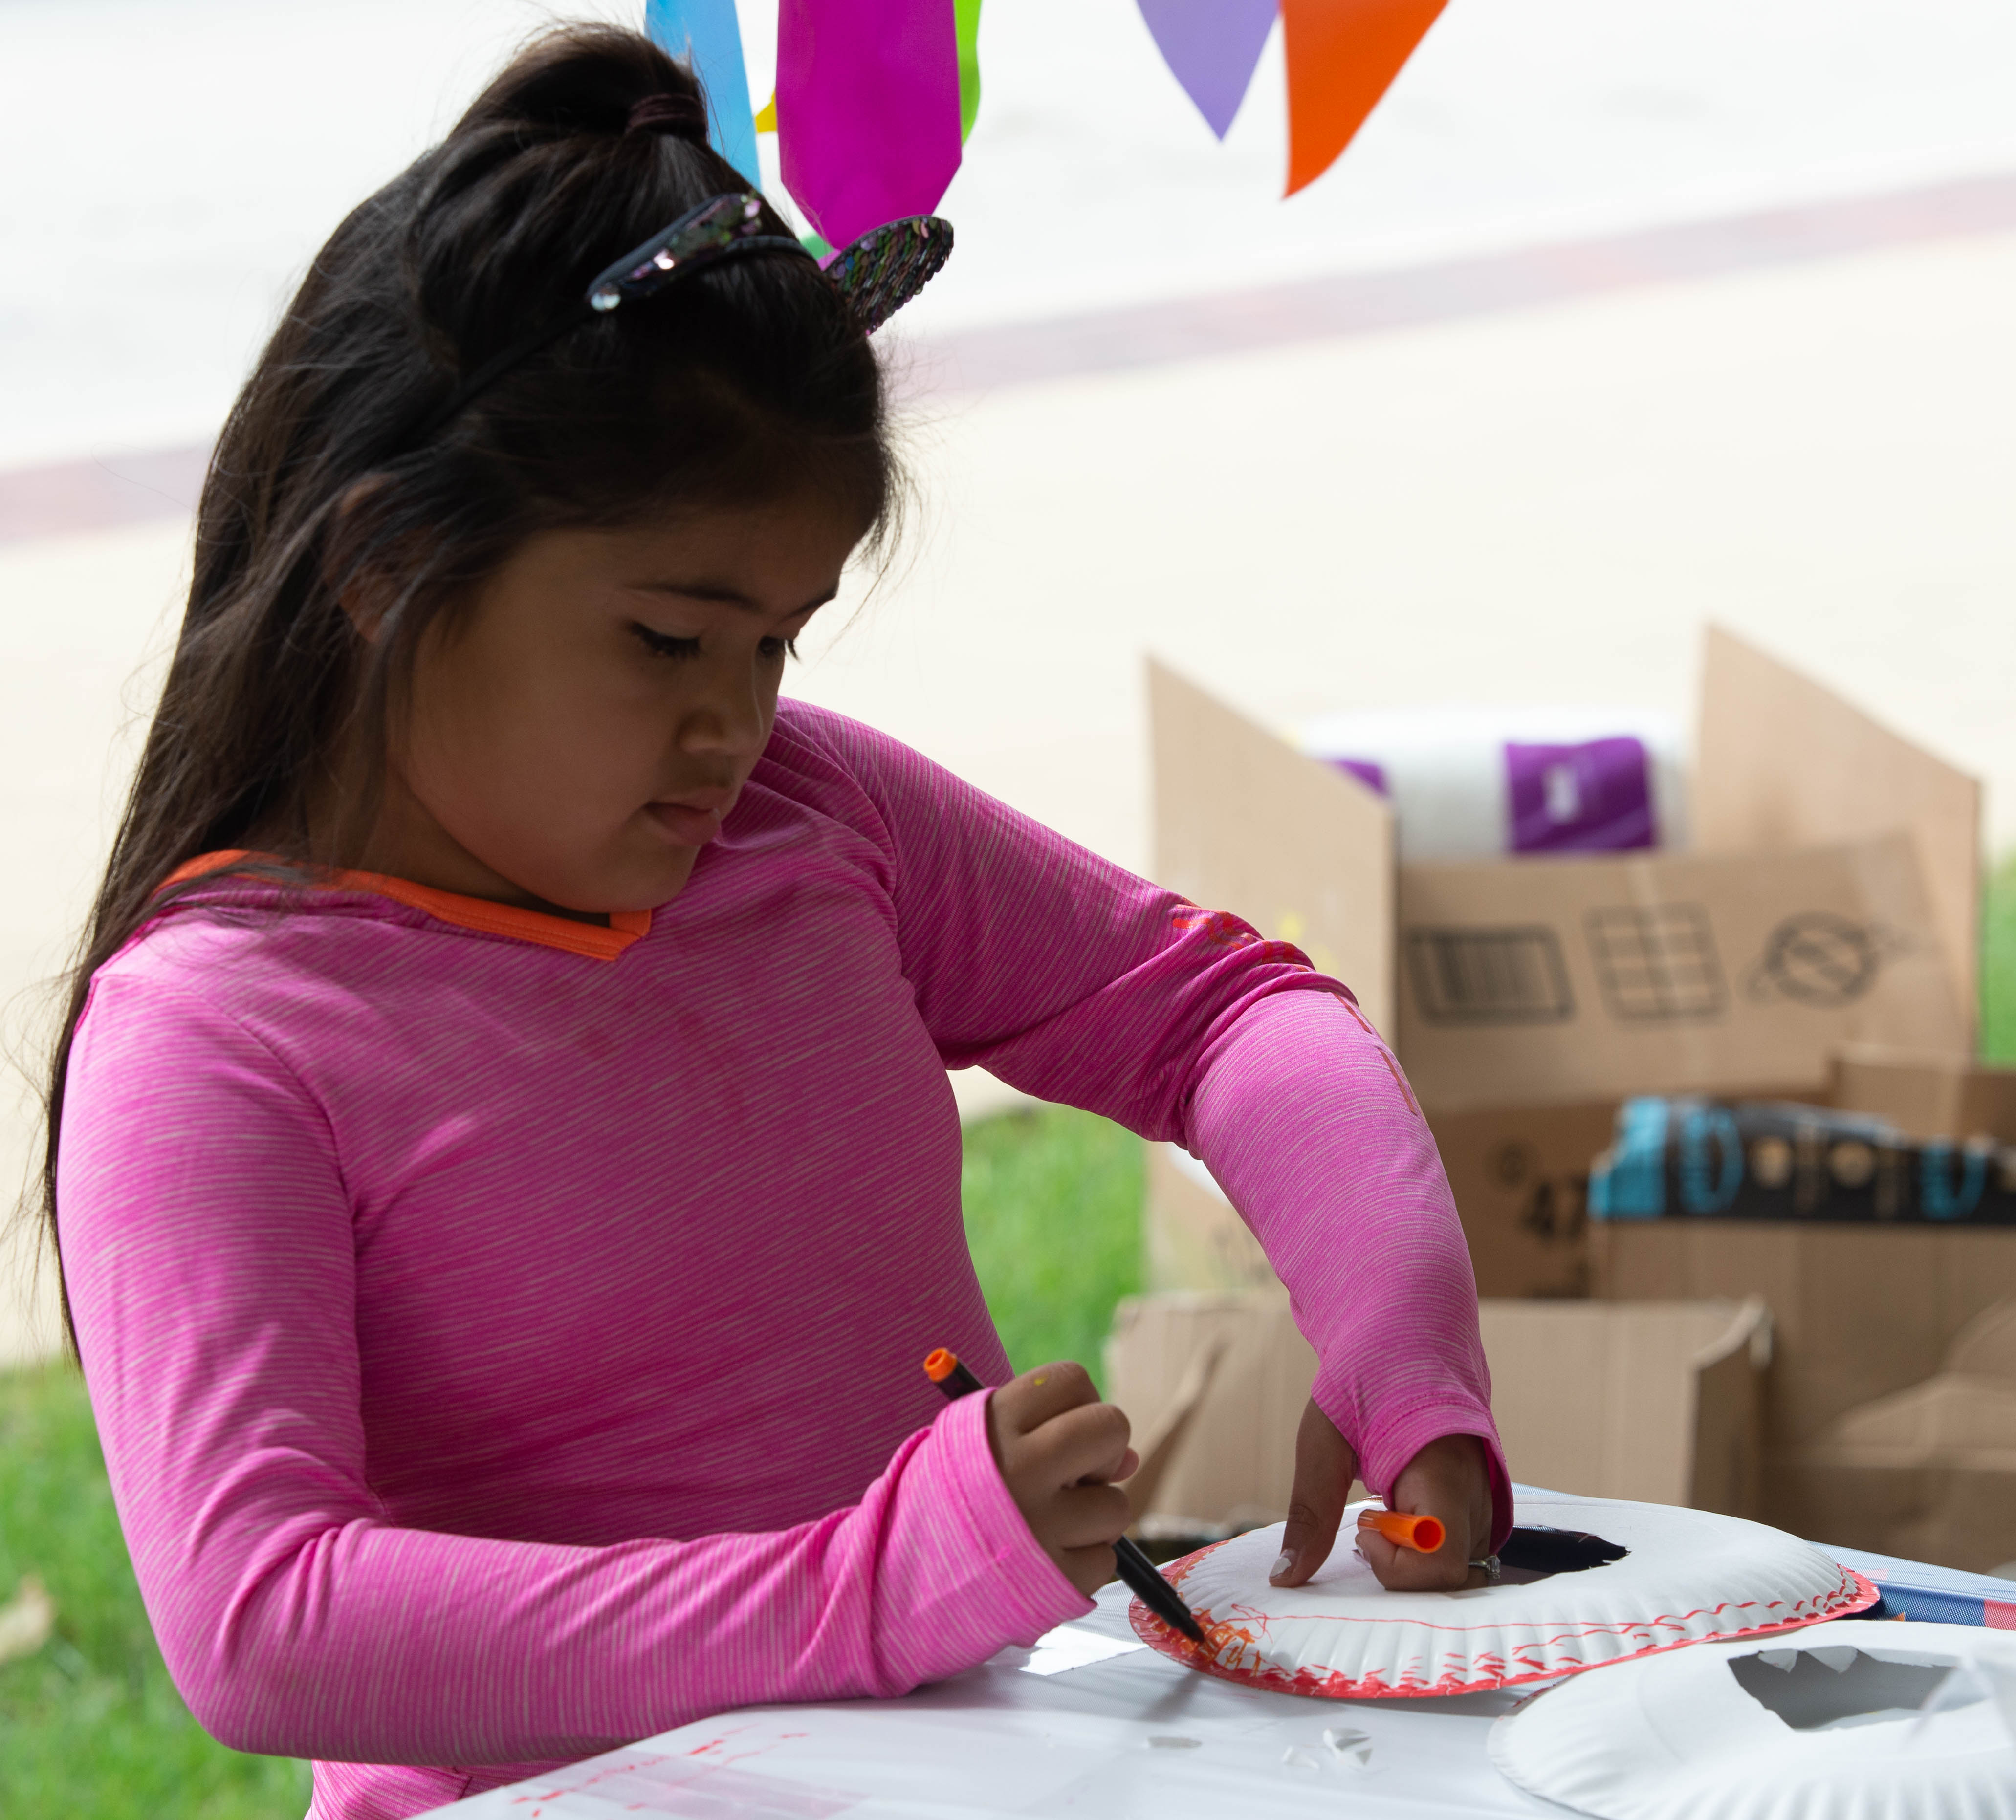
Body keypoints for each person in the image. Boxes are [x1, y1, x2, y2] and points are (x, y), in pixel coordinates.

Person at [42, 24, 1507, 1819]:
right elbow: (264, 1619)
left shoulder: (814, 816)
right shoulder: (214, 1037)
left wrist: (1399, 1336)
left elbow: (1220, 1014)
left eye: (778, 643)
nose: (733, 724)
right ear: (383, 566)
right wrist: (867, 1589)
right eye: (668, 639)